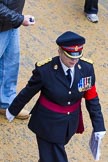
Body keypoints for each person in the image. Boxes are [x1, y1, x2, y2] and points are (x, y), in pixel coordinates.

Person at [6, 31, 106, 162]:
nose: (74, 60)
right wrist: (13, 110)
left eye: (77, 56)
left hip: (69, 124)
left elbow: (92, 99)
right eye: (70, 56)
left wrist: (98, 126)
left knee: (48, 157)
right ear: (59, 51)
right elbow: (28, 91)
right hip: (47, 124)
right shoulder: (45, 70)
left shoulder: (86, 68)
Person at [0, 0, 35, 119]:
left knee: (10, 64)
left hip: (10, 22)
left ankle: (5, 103)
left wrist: (17, 19)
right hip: (11, 19)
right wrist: (19, 19)